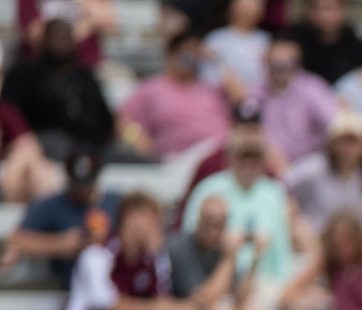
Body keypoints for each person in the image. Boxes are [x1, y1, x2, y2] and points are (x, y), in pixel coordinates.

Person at [180, 133, 293, 310]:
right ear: (231, 159)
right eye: (244, 158)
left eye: (255, 160)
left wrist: (283, 285)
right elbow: (190, 241)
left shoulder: (274, 194)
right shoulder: (209, 189)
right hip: (213, 277)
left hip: (257, 282)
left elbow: (281, 250)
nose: (249, 165)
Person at [59, 192, 181, 310]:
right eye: (151, 221)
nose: (155, 228)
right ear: (130, 219)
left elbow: (163, 303)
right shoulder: (97, 254)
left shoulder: (154, 257)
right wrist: (155, 308)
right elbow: (108, 307)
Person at [1, 12, 109, 159]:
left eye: (66, 37)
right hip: (42, 145)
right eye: (57, 37)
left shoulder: (84, 76)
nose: (62, 43)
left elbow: (104, 118)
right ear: (45, 40)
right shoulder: (24, 75)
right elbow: (11, 117)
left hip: (89, 145)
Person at [117, 33, 231, 161]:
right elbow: (124, 120)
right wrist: (138, 141)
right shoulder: (152, 88)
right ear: (172, 54)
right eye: (187, 52)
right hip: (179, 161)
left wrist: (217, 60)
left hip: (221, 154)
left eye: (196, 53)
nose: (191, 58)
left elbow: (243, 101)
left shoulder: (209, 88)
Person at [4, 146, 108, 283]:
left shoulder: (115, 203)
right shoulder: (52, 205)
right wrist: (61, 243)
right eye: (77, 184)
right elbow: (17, 239)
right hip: (71, 287)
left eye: (86, 185)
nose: (81, 190)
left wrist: (105, 240)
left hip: (117, 285)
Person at [284, 111, 362, 229]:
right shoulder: (313, 169)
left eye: (354, 142)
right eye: (343, 141)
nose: (348, 149)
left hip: (357, 239)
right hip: (317, 236)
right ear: (332, 143)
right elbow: (285, 185)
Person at [164, 190, 240, 310]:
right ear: (199, 220)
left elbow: (240, 295)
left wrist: (256, 258)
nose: (214, 231)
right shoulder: (180, 247)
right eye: (209, 222)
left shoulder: (221, 248)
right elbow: (203, 299)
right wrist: (229, 258)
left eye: (220, 224)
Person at [252, 37, 338, 165]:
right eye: (276, 64)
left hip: (308, 164)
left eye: (288, 63)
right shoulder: (256, 91)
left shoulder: (313, 88)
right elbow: (247, 129)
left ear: (298, 64)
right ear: (266, 61)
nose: (282, 68)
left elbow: (335, 125)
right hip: (267, 165)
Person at [199, 0, 269, 102]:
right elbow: (207, 76)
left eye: (257, 6)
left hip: (259, 101)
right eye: (245, 6)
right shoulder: (216, 39)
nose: (250, 11)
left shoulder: (266, 40)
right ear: (233, 8)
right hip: (219, 101)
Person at [288, 0, 362, 86]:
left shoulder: (354, 42)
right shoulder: (293, 40)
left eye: (329, 8)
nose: (323, 15)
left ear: (343, 9)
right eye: (316, 8)